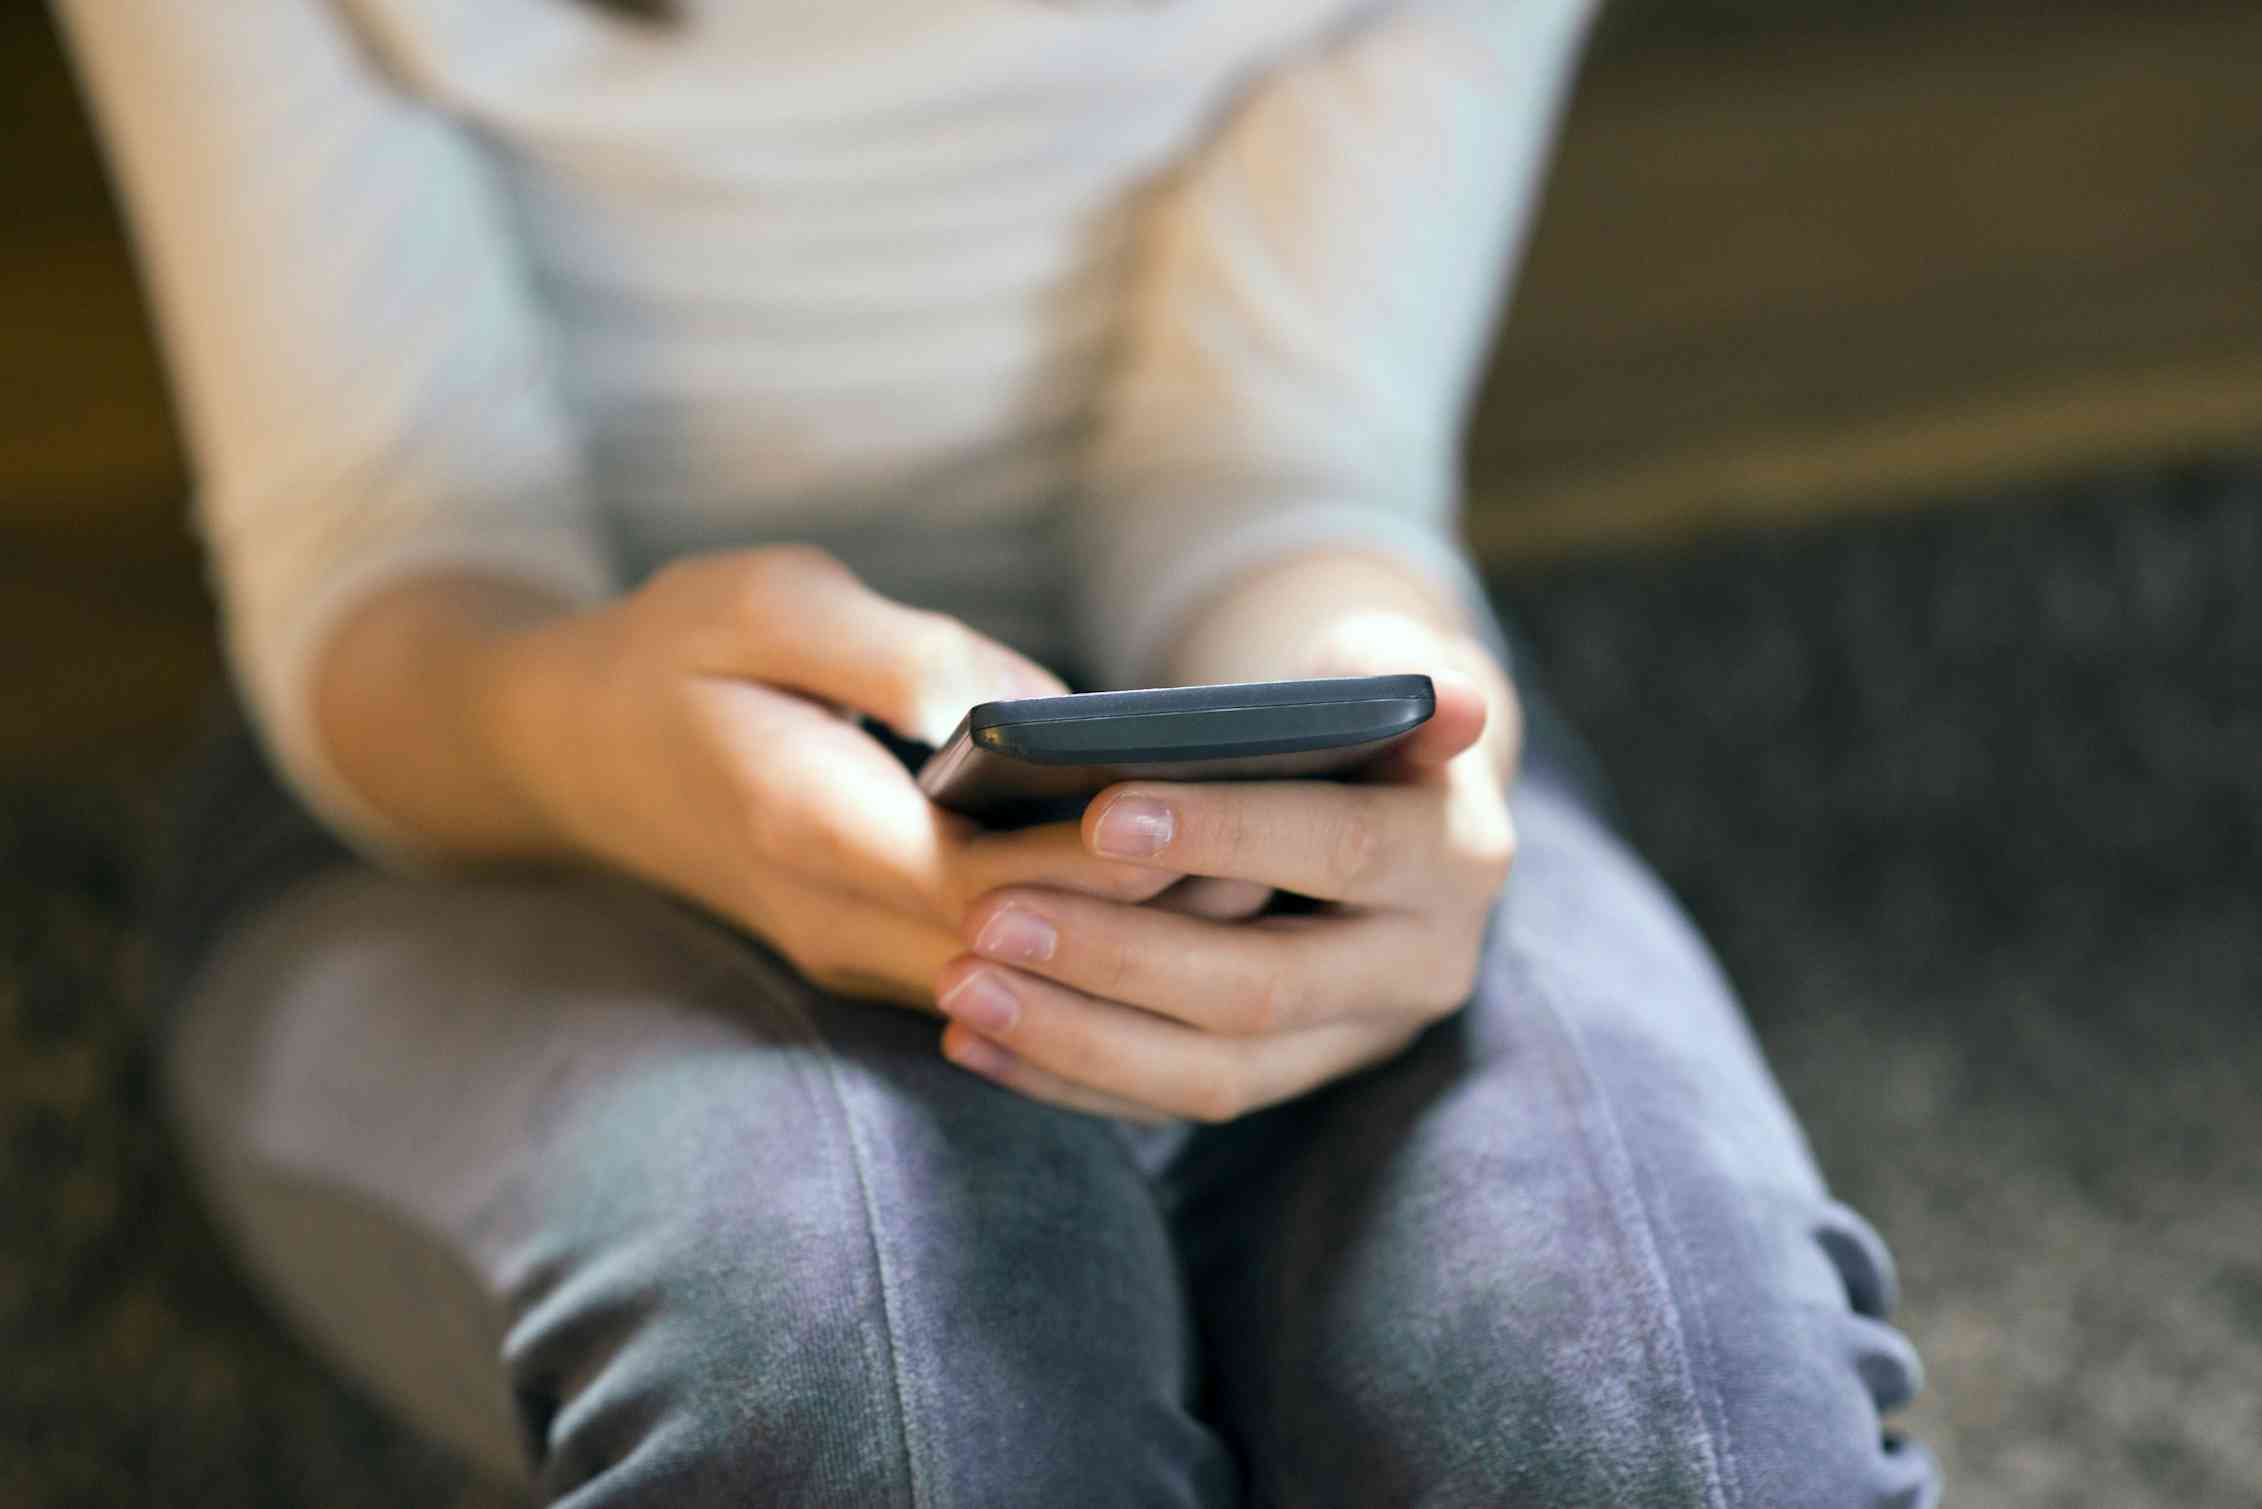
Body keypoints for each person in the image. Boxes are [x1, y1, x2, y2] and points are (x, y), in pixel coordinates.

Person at [61, 0, 1938, 1502]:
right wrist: (591, 735)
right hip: (457, 765)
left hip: (1180, 672)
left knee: (1650, 1401)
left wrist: (1373, 712)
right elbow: (396, 555)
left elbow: (1269, 464)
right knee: (854, 1358)